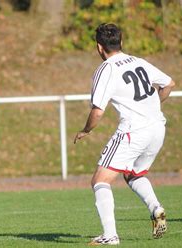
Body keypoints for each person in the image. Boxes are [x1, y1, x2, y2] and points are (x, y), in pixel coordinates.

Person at [73, 23, 175, 245]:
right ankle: (156, 208)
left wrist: (86, 130)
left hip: (134, 131)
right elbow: (168, 84)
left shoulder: (106, 69)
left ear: (99, 47)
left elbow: (98, 111)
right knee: (134, 173)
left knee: (100, 180)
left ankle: (110, 236)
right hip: (157, 127)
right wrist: (152, 107)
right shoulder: (139, 61)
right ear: (121, 42)